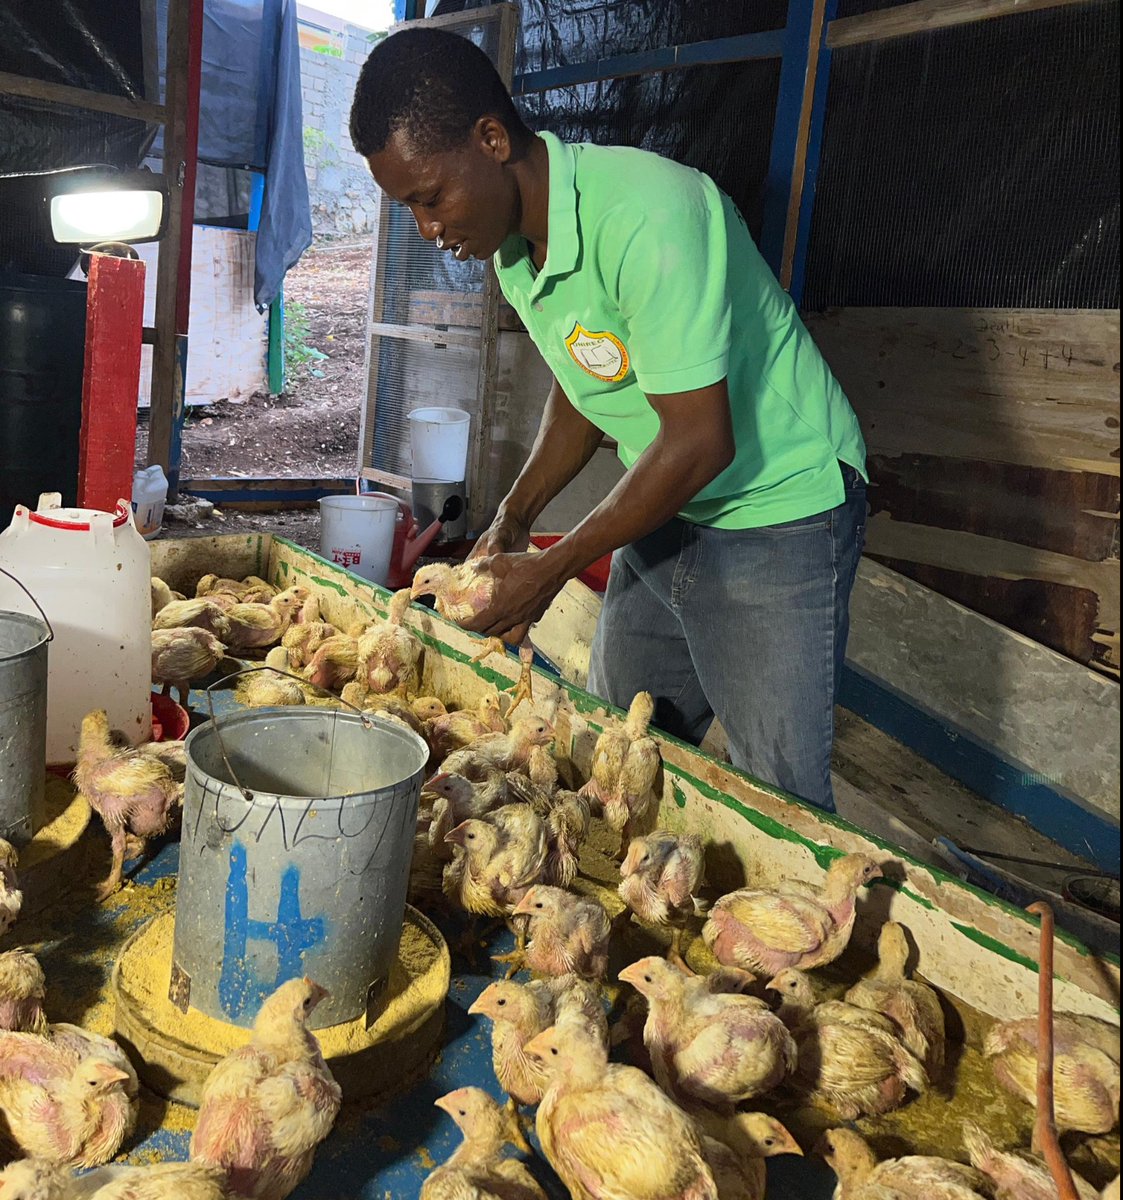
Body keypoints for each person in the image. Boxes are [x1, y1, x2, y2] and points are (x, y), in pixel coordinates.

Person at [349, 27, 867, 812]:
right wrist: (514, 518)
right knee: (612, 753)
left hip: (779, 510)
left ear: (491, 139)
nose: (428, 229)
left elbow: (701, 438)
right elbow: (584, 381)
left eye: (429, 198)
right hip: (670, 501)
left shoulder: (650, 216)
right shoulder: (514, 248)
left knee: (780, 795)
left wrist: (553, 571)